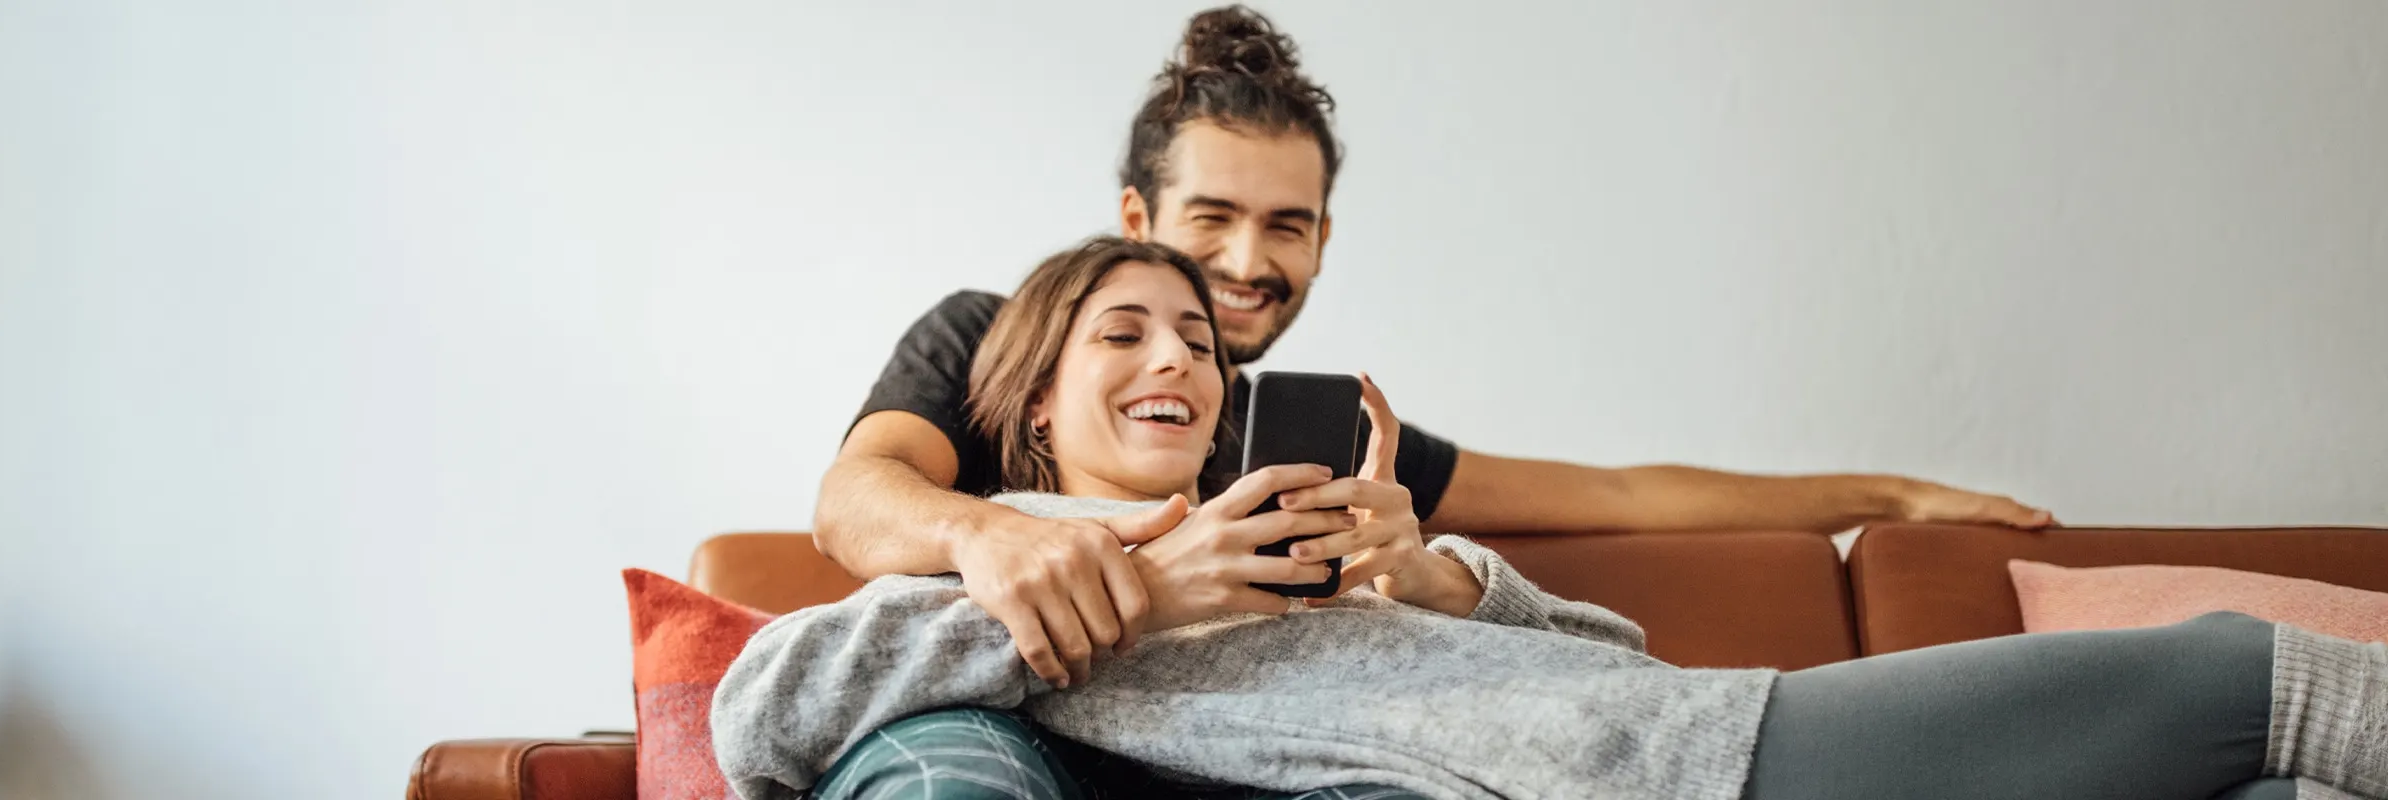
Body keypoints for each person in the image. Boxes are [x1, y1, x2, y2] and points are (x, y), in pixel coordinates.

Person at [714, 237, 2384, 800]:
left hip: (1664, 742)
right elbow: (761, 711)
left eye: (1204, 343)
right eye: (1126, 332)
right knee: (2244, 677)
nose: (1182, 360)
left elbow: (1621, 653)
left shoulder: (1327, 527)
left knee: (2281, 779)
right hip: (1641, 780)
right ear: (1026, 398)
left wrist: (1438, 578)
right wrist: (1144, 586)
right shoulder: (1016, 566)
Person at [818, 4, 2056, 690]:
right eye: (1212, 218)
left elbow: (1620, 494)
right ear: (1136, 218)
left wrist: (1888, 494)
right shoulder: (991, 338)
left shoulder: (1311, 433)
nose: (1249, 260)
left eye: (1286, 225)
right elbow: (855, 502)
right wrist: (996, 533)